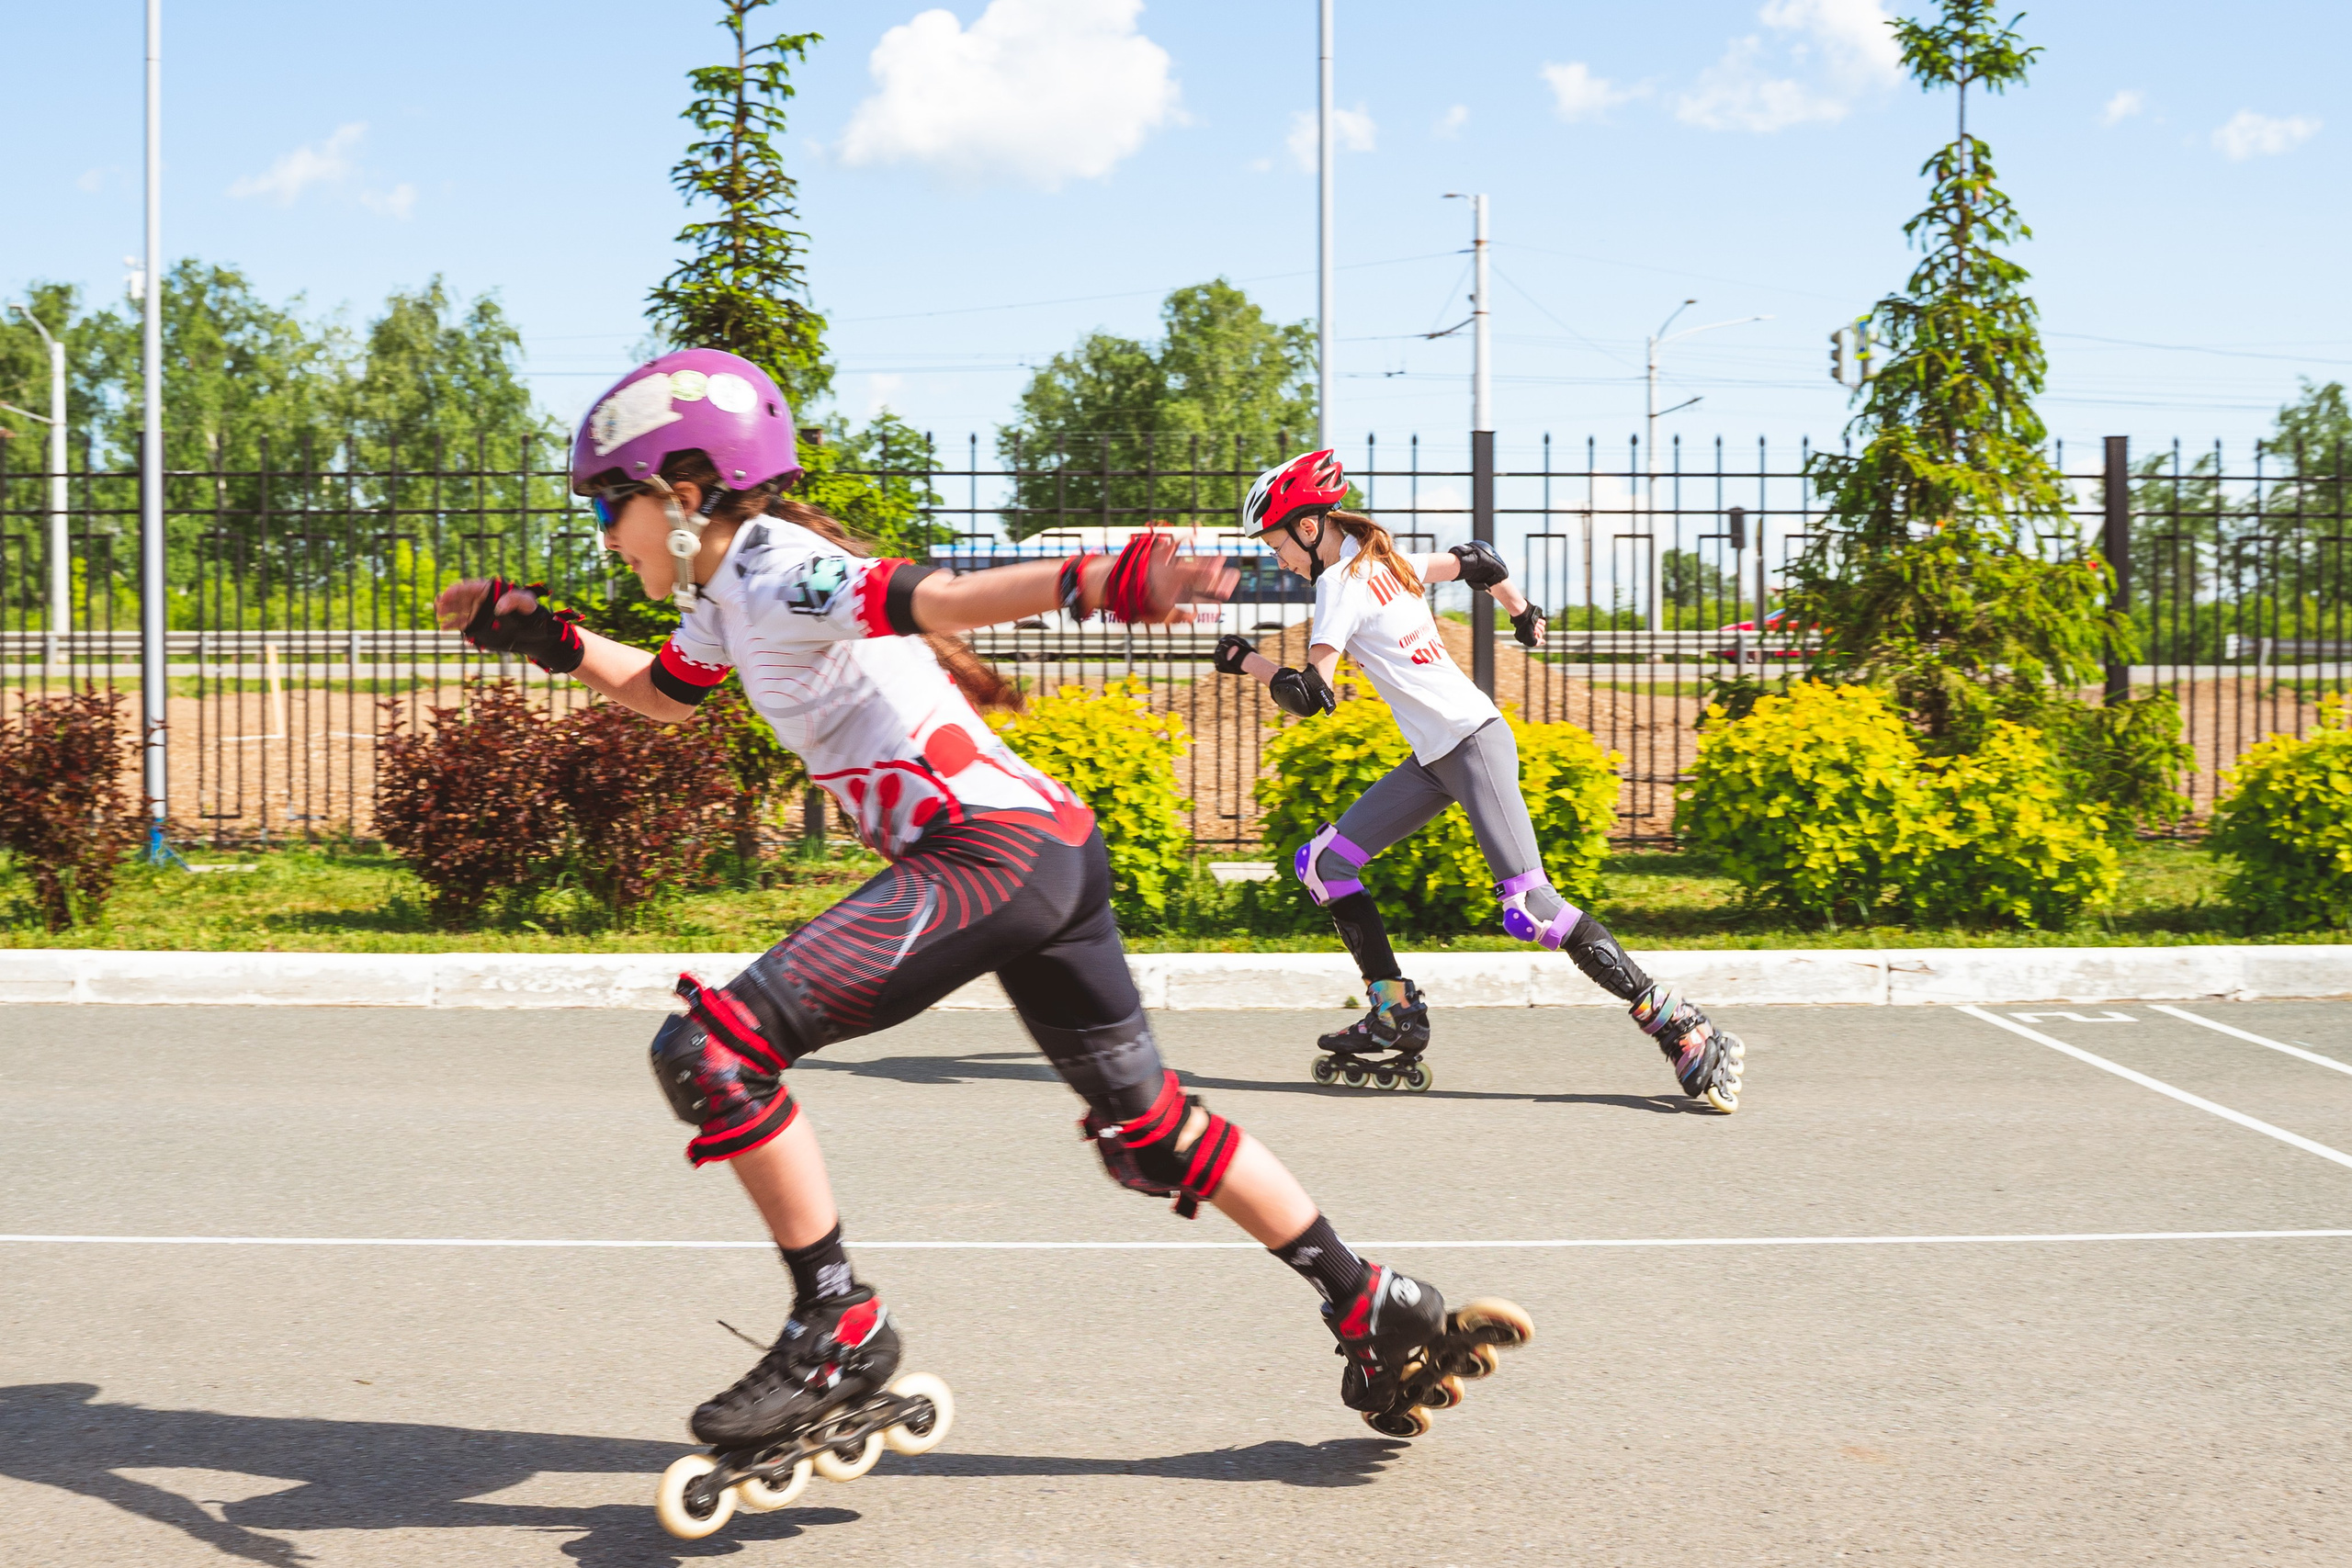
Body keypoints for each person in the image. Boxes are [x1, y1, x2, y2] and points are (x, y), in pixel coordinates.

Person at [434, 353, 1531, 1537]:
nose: (604, 532)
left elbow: (936, 598)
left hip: (987, 853)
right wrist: (542, 634)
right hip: (1045, 848)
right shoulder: (725, 595)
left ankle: (836, 1325)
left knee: (712, 1053)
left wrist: (1095, 577)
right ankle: (1371, 1301)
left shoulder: (782, 569)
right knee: (1151, 1131)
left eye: (611, 502)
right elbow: (662, 691)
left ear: (685, 491)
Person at [1213, 448, 1746, 1112]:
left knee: (1532, 909)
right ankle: (1393, 1012)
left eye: (1277, 546)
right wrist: (1522, 612)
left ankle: (1683, 1027)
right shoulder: (1387, 560)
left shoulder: (1341, 582)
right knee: (1325, 864)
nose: (1279, 560)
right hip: (1436, 758)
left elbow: (1309, 694)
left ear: (1309, 526)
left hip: (1472, 744)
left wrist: (1246, 660)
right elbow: (1478, 560)